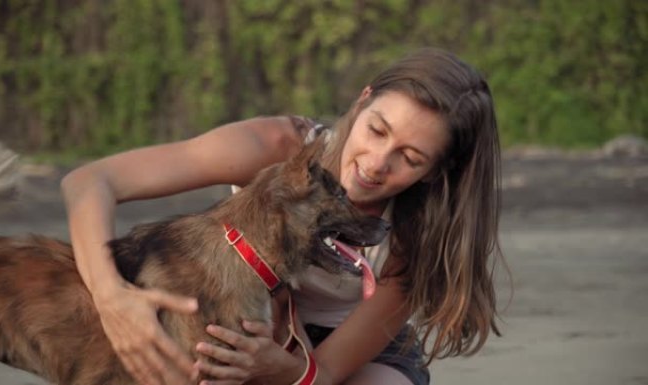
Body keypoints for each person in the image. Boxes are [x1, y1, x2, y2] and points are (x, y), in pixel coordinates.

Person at [61, 47, 504, 385]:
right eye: (376, 130)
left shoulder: (420, 235)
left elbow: (327, 371)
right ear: (362, 101)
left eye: (409, 157)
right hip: (249, 321)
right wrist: (112, 298)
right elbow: (88, 182)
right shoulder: (277, 148)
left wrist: (286, 369)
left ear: (435, 172)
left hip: (349, 355)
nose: (375, 164)